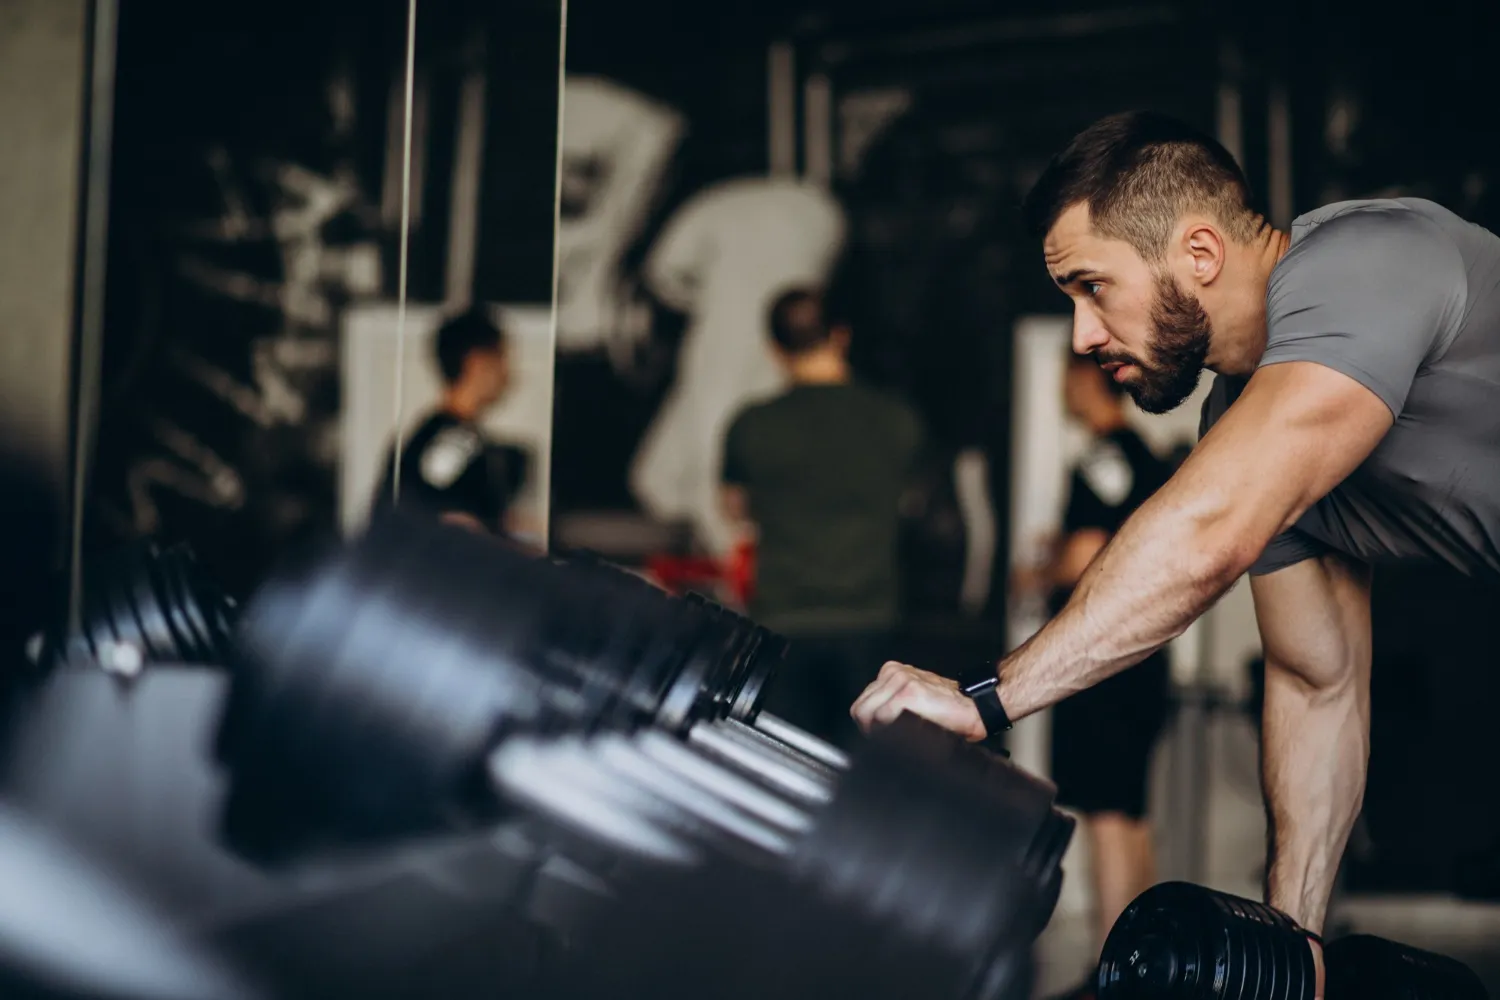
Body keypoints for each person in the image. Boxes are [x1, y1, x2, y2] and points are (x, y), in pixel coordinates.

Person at [850, 110, 1500, 994]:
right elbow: (1318, 683)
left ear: (1198, 255)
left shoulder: (1368, 262)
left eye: (1092, 288)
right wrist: (1290, 951)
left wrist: (985, 699)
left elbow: (1207, 533)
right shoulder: (1240, 425)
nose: (1081, 335)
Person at [1014, 352, 1171, 996]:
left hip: (1105, 664)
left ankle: (1112, 970)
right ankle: (1143, 966)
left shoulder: (1104, 457)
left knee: (1108, 812)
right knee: (1128, 813)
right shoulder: (1141, 455)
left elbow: (1087, 556)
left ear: (1089, 380)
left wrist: (1041, 574)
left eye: (1066, 376)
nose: (1061, 390)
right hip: (1142, 659)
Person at [722, 287, 924, 749]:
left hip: (782, 621)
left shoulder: (752, 424)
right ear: (841, 336)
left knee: (782, 768)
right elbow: (914, 504)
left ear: (774, 349)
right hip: (869, 619)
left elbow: (734, 509)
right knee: (862, 777)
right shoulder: (895, 419)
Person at [371, 309, 526, 535]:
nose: (508, 374)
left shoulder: (456, 437)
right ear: (477, 362)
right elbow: (423, 519)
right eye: (502, 358)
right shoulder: (452, 442)